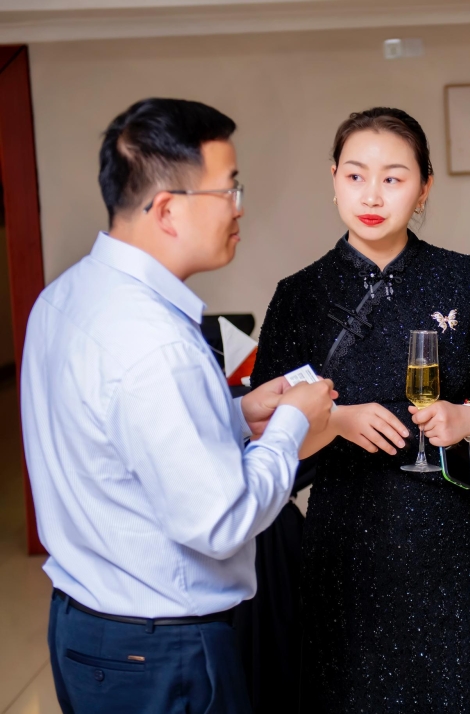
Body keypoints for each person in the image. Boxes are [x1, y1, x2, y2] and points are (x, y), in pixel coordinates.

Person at [20, 97, 337, 714]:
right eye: (228, 191)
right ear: (167, 209)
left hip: (86, 626)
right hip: (161, 653)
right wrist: (295, 424)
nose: (240, 209)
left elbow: (113, 437)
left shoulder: (65, 296)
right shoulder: (157, 343)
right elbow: (220, 523)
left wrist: (234, 413)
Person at [250, 107, 470, 712]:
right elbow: (267, 429)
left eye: (394, 178)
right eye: (356, 176)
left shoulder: (461, 278)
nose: (372, 195)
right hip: (342, 539)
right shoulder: (300, 296)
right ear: (334, 180)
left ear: (424, 187)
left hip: (446, 535)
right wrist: (336, 420)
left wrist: (468, 417)